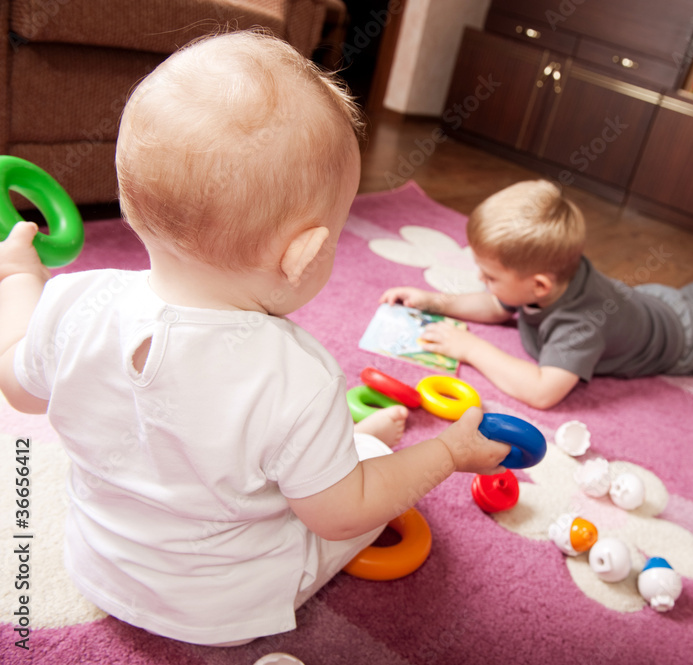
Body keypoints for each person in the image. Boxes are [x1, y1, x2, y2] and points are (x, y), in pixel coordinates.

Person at [0, 32, 509, 647]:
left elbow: (18, 383)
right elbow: (341, 514)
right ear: (306, 254)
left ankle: (328, 455)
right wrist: (448, 455)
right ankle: (344, 455)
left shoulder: (75, 304)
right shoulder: (297, 375)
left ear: (130, 202)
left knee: (289, 455)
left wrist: (20, 279)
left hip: (100, 563)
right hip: (222, 608)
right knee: (371, 476)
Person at [380, 180, 693, 410]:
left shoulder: (581, 323)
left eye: (490, 276)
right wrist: (432, 301)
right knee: (684, 303)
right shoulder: (545, 281)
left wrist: (469, 348)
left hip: (689, 341)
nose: (483, 284)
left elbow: (543, 392)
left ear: (539, 285)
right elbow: (497, 307)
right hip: (654, 303)